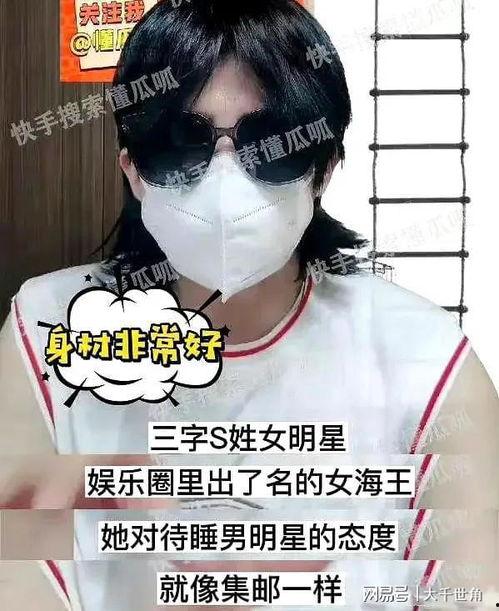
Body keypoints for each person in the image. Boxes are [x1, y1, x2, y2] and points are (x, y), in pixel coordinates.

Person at [0, 0, 497, 609]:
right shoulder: (47, 332)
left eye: (269, 144)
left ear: (325, 168)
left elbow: (469, 589)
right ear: (133, 169)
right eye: (183, 142)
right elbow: (18, 572)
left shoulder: (426, 361)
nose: (225, 182)